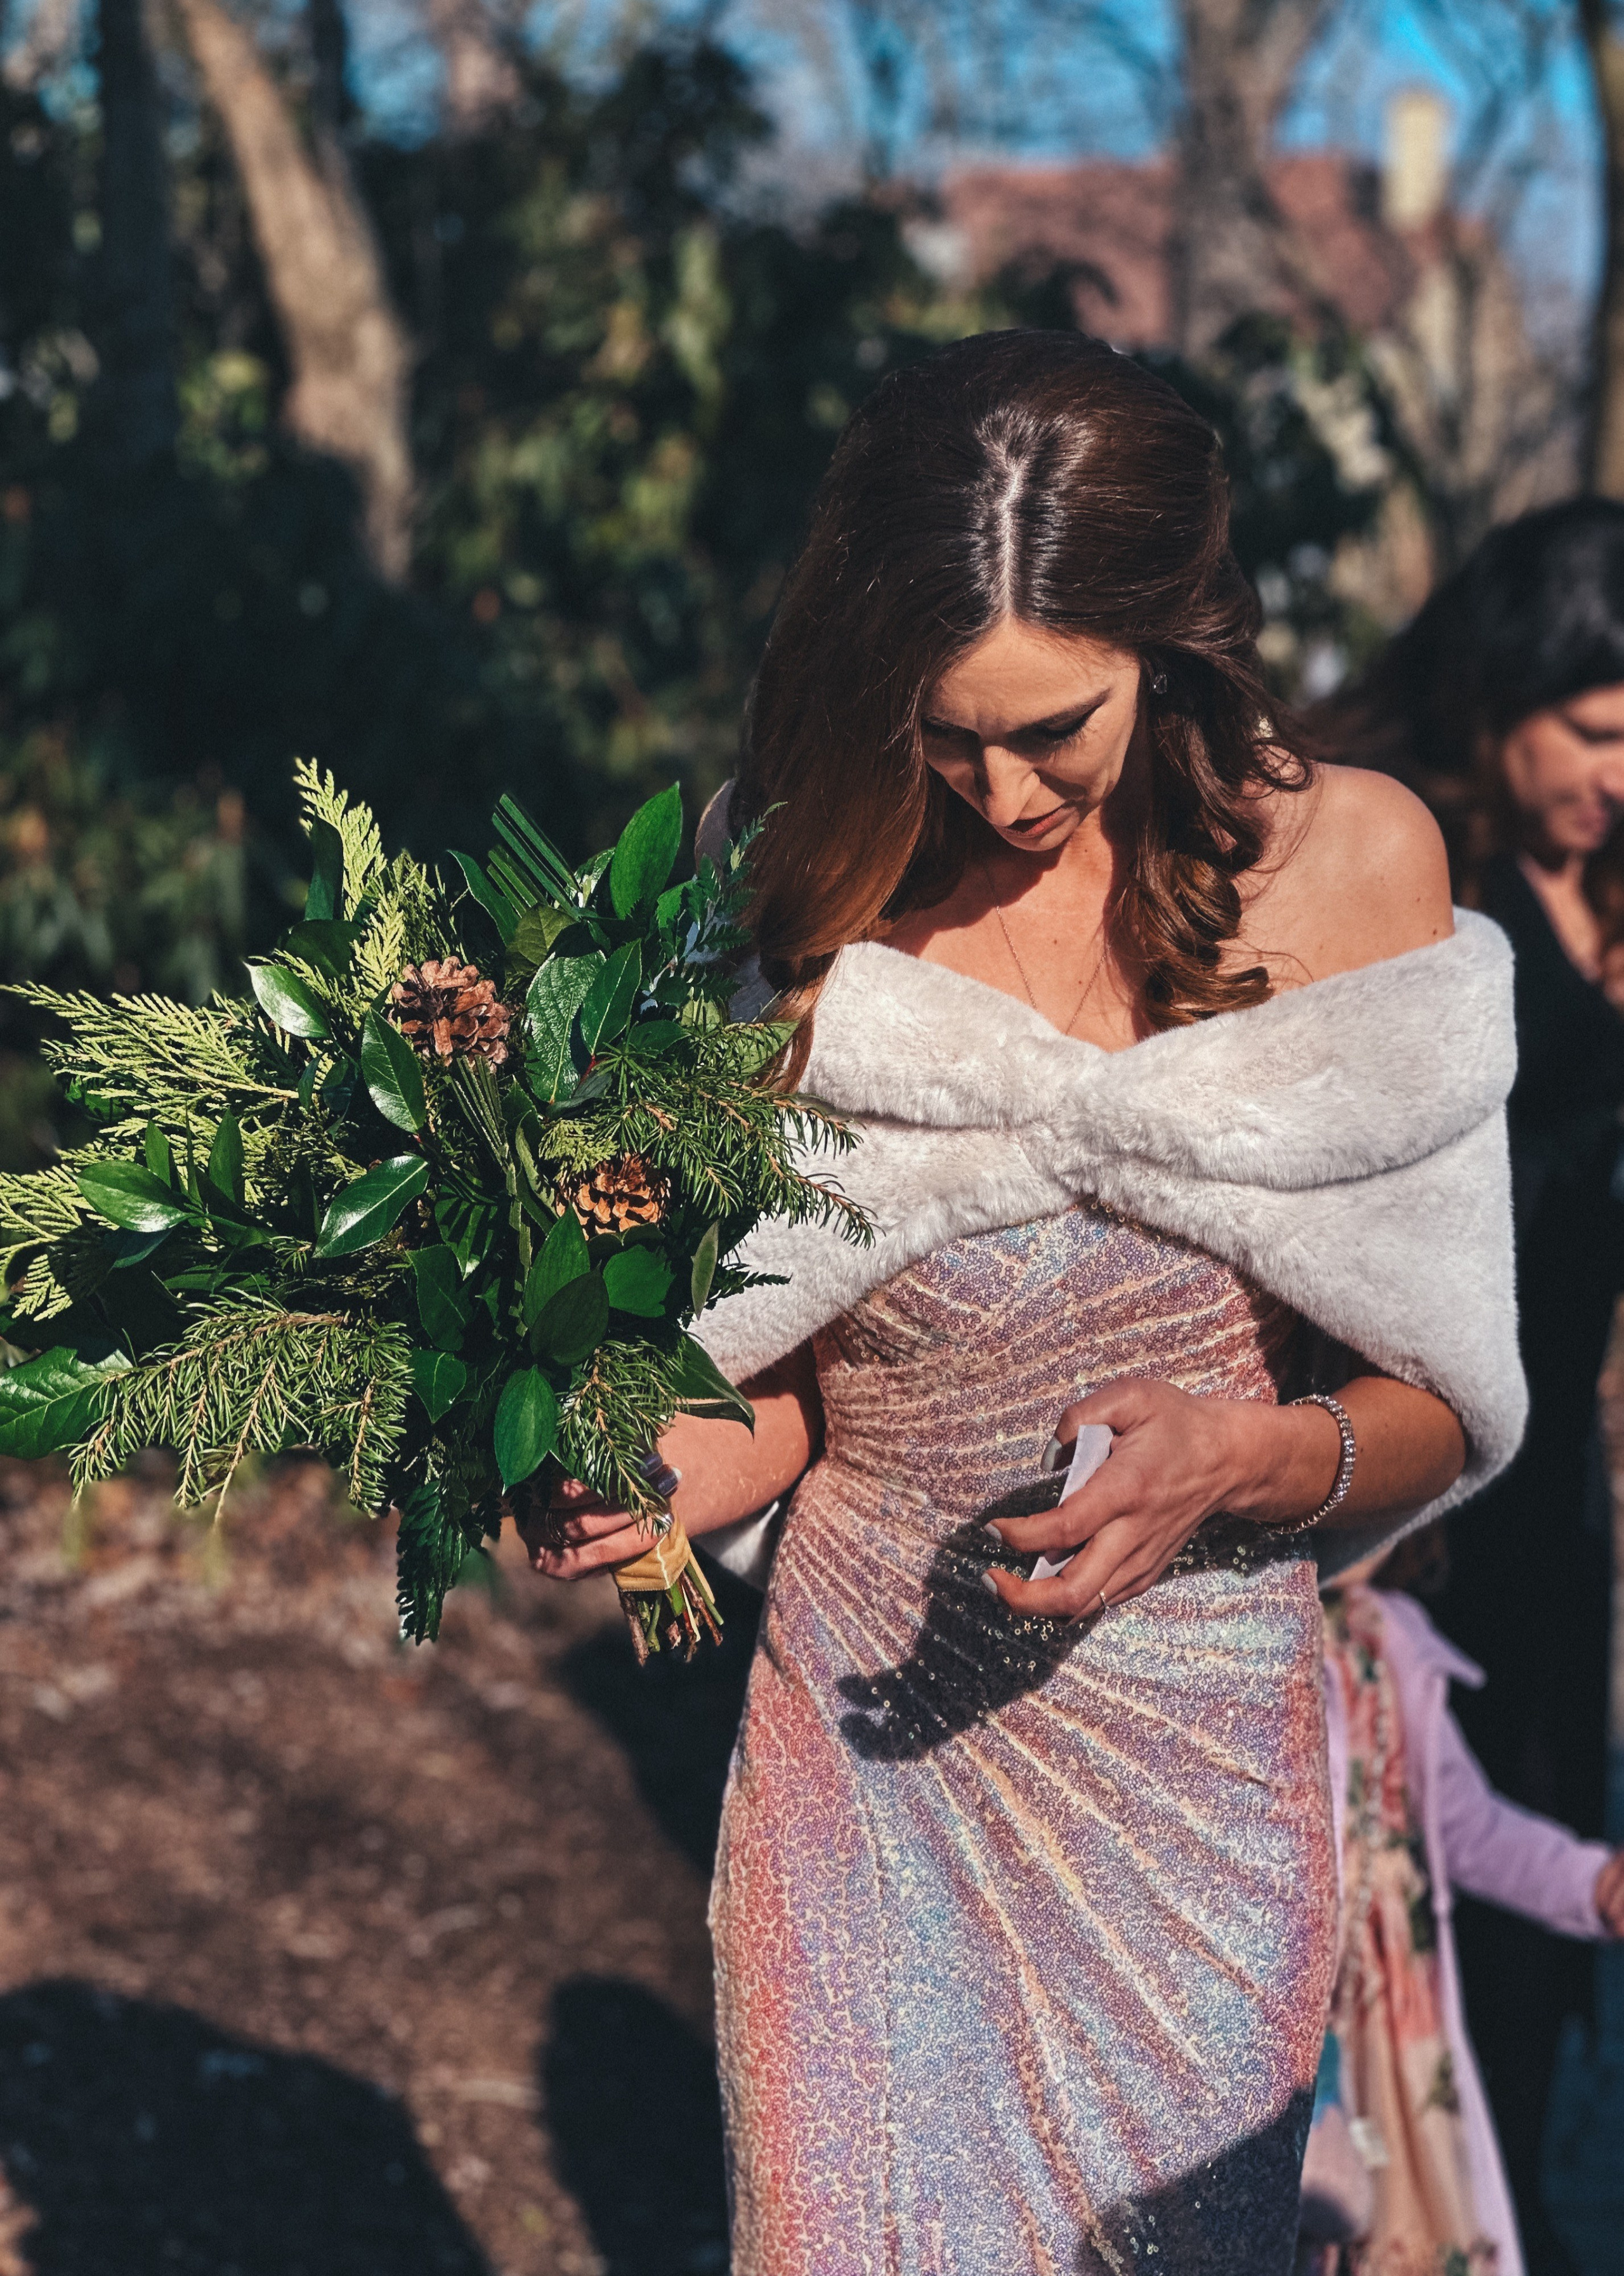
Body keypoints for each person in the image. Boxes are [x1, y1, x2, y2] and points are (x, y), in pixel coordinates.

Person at [525, 332, 1524, 2275]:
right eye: (939, 728)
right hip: (859, 1770)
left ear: (1174, 640)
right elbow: (797, 1379)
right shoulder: (798, 870)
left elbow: (1434, 1400)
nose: (996, 788)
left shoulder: (1358, 867)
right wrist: (645, 1477)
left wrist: (1241, 1455)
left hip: (1195, 1788)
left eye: (1051, 724)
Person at [1312, 500, 1624, 2272]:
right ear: (1508, 688)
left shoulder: (1611, 879)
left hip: (1552, 1473)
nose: (1619, 772)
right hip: (1407, 1469)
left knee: (1525, 1884)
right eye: (1595, 729)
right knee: (1394, 1893)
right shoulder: (1407, 873)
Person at [1307, 1537, 1624, 2276]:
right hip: (1293, 2019)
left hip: (1392, 2027)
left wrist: (1593, 1884)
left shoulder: (1387, 1642)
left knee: (1395, 2224)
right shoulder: (1247, 1644)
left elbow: (1470, 1830)